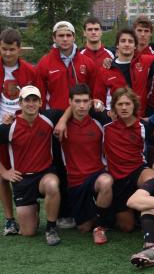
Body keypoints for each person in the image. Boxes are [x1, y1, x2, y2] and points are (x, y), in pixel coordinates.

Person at [0, 86, 61, 245]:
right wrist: (4, 171)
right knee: (28, 232)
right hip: (22, 179)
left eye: (35, 100)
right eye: (27, 100)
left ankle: (51, 228)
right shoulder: (9, 126)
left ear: (41, 102)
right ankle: (33, 209)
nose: (31, 104)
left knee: (52, 185)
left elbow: (70, 111)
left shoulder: (49, 118)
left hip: (45, 175)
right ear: (20, 103)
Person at [55, 84, 114, 244]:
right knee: (82, 228)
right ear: (70, 102)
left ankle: (100, 227)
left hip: (96, 175)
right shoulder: (60, 123)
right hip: (75, 182)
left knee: (106, 181)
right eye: (77, 101)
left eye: (85, 101)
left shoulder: (99, 121)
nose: (81, 105)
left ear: (91, 102)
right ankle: (100, 215)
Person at [103, 87, 154, 233]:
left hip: (137, 171)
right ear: (114, 107)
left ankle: (153, 222)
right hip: (118, 179)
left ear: (134, 105)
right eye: (120, 104)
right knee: (127, 227)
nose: (124, 107)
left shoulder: (144, 126)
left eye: (127, 103)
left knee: (151, 180)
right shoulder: (106, 127)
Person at [0, 28, 36, 236]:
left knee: (24, 172)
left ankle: (29, 206)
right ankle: (9, 219)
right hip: (1, 130)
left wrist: (21, 117)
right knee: (3, 175)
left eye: (11, 49)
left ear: (19, 49)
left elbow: (37, 100)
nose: (7, 53)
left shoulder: (30, 71)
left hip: (23, 129)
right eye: (4, 49)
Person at [93, 28, 154, 117]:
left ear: (135, 46)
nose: (127, 44)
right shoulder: (105, 70)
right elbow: (98, 100)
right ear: (117, 45)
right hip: (115, 123)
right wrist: (106, 113)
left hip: (138, 120)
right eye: (123, 41)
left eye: (130, 41)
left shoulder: (144, 61)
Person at [35, 21, 98, 110]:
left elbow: (94, 92)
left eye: (68, 35)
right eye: (61, 35)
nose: (65, 39)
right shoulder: (44, 63)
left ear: (74, 37)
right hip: (55, 116)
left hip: (81, 115)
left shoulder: (87, 62)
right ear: (54, 38)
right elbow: (40, 94)